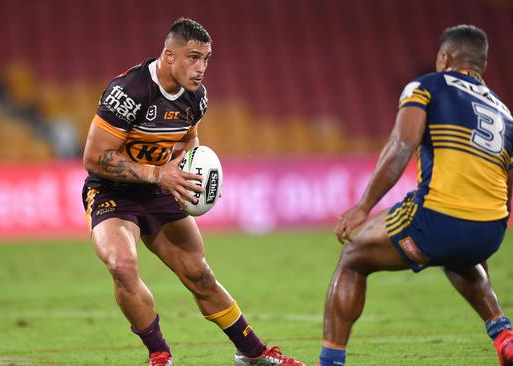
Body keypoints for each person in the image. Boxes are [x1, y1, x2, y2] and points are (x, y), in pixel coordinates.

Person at [82, 18, 304, 366]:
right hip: (113, 192)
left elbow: (187, 139)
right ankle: (160, 355)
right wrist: (157, 174)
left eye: (206, 59)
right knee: (122, 264)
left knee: (199, 273)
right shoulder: (129, 91)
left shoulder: (196, 99)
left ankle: (253, 354)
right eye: (193, 57)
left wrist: (187, 167)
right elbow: (94, 158)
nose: (201, 69)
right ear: (169, 55)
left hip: (160, 187)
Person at [317, 24, 513, 366]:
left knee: (353, 258)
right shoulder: (504, 111)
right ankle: (504, 336)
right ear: (482, 65)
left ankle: (330, 362)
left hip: (438, 218)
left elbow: (401, 146)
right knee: (457, 255)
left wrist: (363, 207)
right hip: (492, 229)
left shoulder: (426, 86)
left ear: (445, 57)